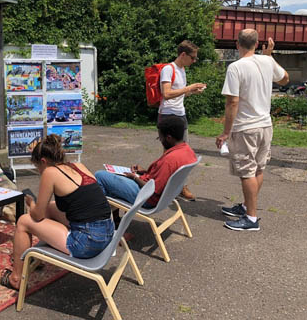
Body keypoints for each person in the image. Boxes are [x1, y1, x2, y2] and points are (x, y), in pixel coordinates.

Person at [0, 134, 114, 291]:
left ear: (44, 162)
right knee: (51, 207)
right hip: (107, 231)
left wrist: (31, 203)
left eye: (37, 167)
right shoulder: (78, 166)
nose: (39, 171)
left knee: (24, 221)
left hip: (87, 243)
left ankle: (16, 279)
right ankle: (27, 255)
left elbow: (37, 215)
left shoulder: (50, 172)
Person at [216, 30, 289, 231]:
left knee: (247, 171)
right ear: (257, 44)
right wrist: (269, 56)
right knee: (258, 168)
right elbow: (285, 79)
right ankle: (248, 207)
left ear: (237, 44)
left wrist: (225, 133)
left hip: (246, 127)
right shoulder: (266, 61)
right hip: (265, 124)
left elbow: (232, 102)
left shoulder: (235, 67)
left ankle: (251, 218)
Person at [95, 116, 197, 221]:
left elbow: (153, 190)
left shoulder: (170, 160)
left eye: (160, 138)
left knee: (100, 176)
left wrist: (134, 177)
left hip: (147, 198)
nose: (160, 141)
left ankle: (102, 223)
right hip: (163, 197)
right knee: (112, 179)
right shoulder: (187, 150)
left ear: (169, 138)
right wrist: (145, 172)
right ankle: (115, 221)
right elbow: (164, 176)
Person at [158, 40, 206, 201]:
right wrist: (189, 87)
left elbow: (179, 93)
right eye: (193, 58)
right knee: (169, 154)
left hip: (180, 114)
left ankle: (178, 186)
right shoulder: (168, 69)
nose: (194, 61)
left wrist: (192, 92)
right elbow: (166, 93)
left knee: (182, 153)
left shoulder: (182, 69)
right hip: (168, 115)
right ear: (183, 54)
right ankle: (166, 185)